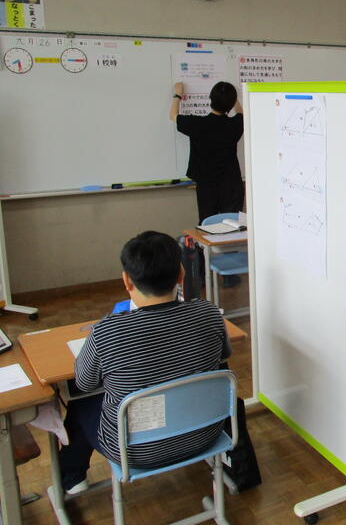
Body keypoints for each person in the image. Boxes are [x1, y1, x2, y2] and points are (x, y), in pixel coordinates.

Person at [59, 231, 231, 493]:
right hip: (205, 434)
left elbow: (84, 383)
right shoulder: (208, 313)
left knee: (79, 404)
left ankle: (73, 479)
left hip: (133, 451)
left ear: (126, 280)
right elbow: (223, 355)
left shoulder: (106, 332)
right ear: (181, 274)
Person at [169, 81, 244, 225]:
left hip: (207, 186)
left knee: (208, 227)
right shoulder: (235, 124)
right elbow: (241, 113)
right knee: (234, 226)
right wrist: (234, 100)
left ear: (210, 99)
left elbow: (173, 115)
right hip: (232, 185)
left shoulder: (197, 124)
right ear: (231, 103)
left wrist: (177, 94)